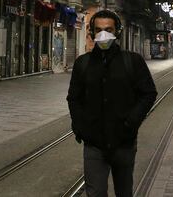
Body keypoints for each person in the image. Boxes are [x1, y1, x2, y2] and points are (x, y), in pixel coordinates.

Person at [67, 10, 157, 197]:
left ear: (117, 32)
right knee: (95, 192)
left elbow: (148, 94)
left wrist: (131, 122)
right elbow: (74, 98)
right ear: (91, 33)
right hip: (94, 144)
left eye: (108, 29)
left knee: (124, 192)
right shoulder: (83, 64)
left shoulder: (133, 61)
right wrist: (80, 127)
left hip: (123, 143)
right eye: (98, 30)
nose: (103, 34)